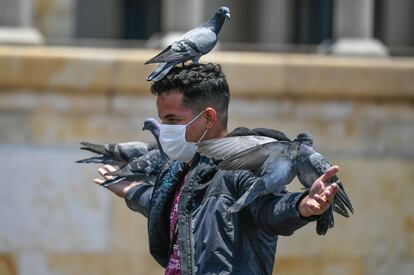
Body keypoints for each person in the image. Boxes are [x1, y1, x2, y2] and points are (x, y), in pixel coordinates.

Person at [94, 63, 339, 275]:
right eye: (161, 120)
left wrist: (302, 207)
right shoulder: (181, 172)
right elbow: (171, 207)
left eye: (172, 120)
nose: (164, 129)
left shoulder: (242, 168)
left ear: (208, 118)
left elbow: (269, 210)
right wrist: (130, 191)